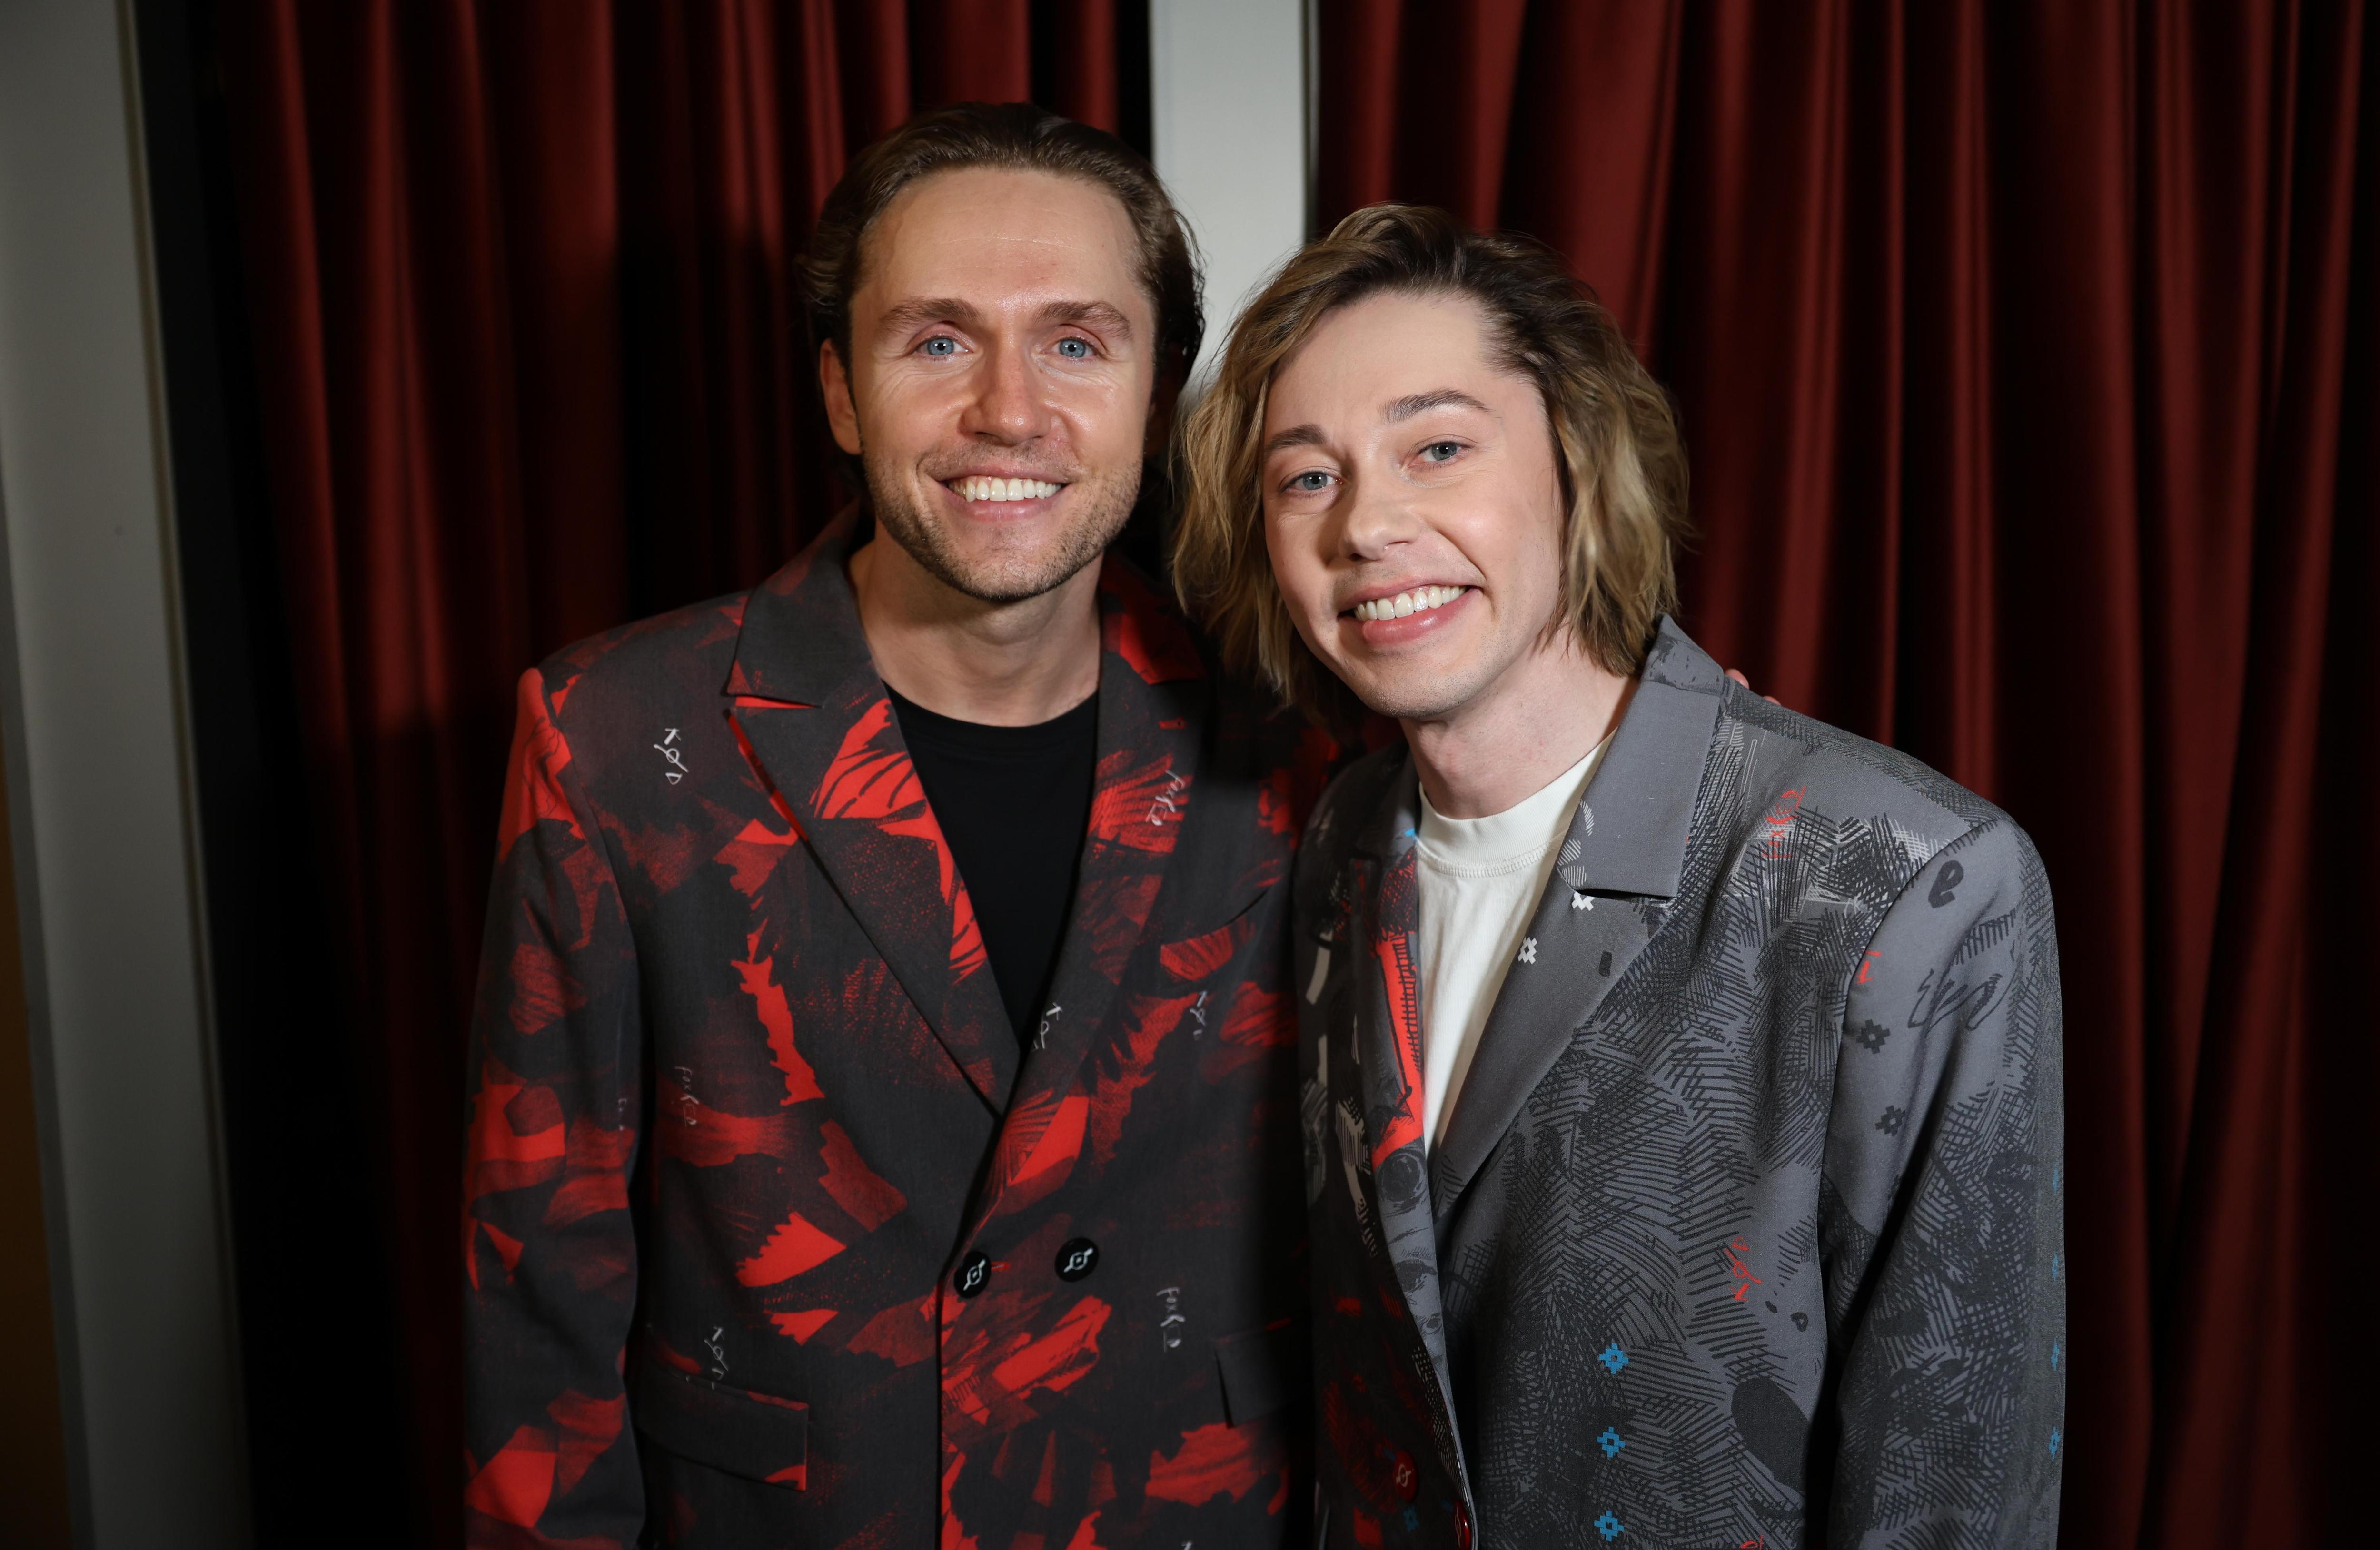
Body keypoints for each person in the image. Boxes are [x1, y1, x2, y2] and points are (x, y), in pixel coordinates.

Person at [460, 104, 1329, 1549]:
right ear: (842, 394)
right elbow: (538, 1296)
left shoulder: (1301, 737)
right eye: (936, 342)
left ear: (1156, 388)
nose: (1008, 411)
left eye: (1076, 342)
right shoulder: (611, 740)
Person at [1172, 205, 2065, 1549]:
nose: (1368, 524)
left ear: (1579, 464)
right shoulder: (1342, 846)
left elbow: (1956, 1485)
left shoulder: (1907, 876)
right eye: (1307, 477)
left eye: (1439, 447)